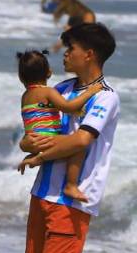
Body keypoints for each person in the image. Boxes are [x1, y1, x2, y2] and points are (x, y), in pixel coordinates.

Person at [19, 23, 121, 253]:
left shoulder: (105, 97)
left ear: (89, 54)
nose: (65, 53)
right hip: (43, 192)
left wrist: (42, 150)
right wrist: (28, 144)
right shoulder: (59, 89)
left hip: (74, 195)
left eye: (71, 48)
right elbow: (29, 133)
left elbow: (81, 139)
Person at [15, 50, 97, 203]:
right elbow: (67, 107)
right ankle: (71, 186)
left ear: (21, 77)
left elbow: (41, 111)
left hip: (32, 140)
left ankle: (36, 155)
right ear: (49, 72)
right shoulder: (48, 92)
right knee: (77, 147)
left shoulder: (25, 96)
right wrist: (89, 93)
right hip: (48, 138)